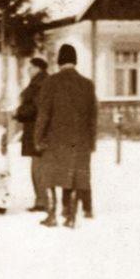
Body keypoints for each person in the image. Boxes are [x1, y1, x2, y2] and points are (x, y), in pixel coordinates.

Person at [34, 44, 98, 228]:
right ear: (75, 61)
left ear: (59, 60)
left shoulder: (51, 82)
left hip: (55, 140)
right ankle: (71, 217)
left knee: (50, 176)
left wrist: (38, 139)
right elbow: (93, 116)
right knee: (76, 177)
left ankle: (52, 215)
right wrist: (91, 142)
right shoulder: (87, 84)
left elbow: (44, 114)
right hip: (81, 141)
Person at [13, 57, 49, 212]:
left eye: (30, 68)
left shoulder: (39, 84)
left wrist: (19, 113)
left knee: (38, 166)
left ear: (37, 68)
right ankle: (42, 199)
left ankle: (42, 201)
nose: (28, 70)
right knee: (38, 165)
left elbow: (35, 107)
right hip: (37, 129)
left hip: (37, 129)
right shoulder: (40, 82)